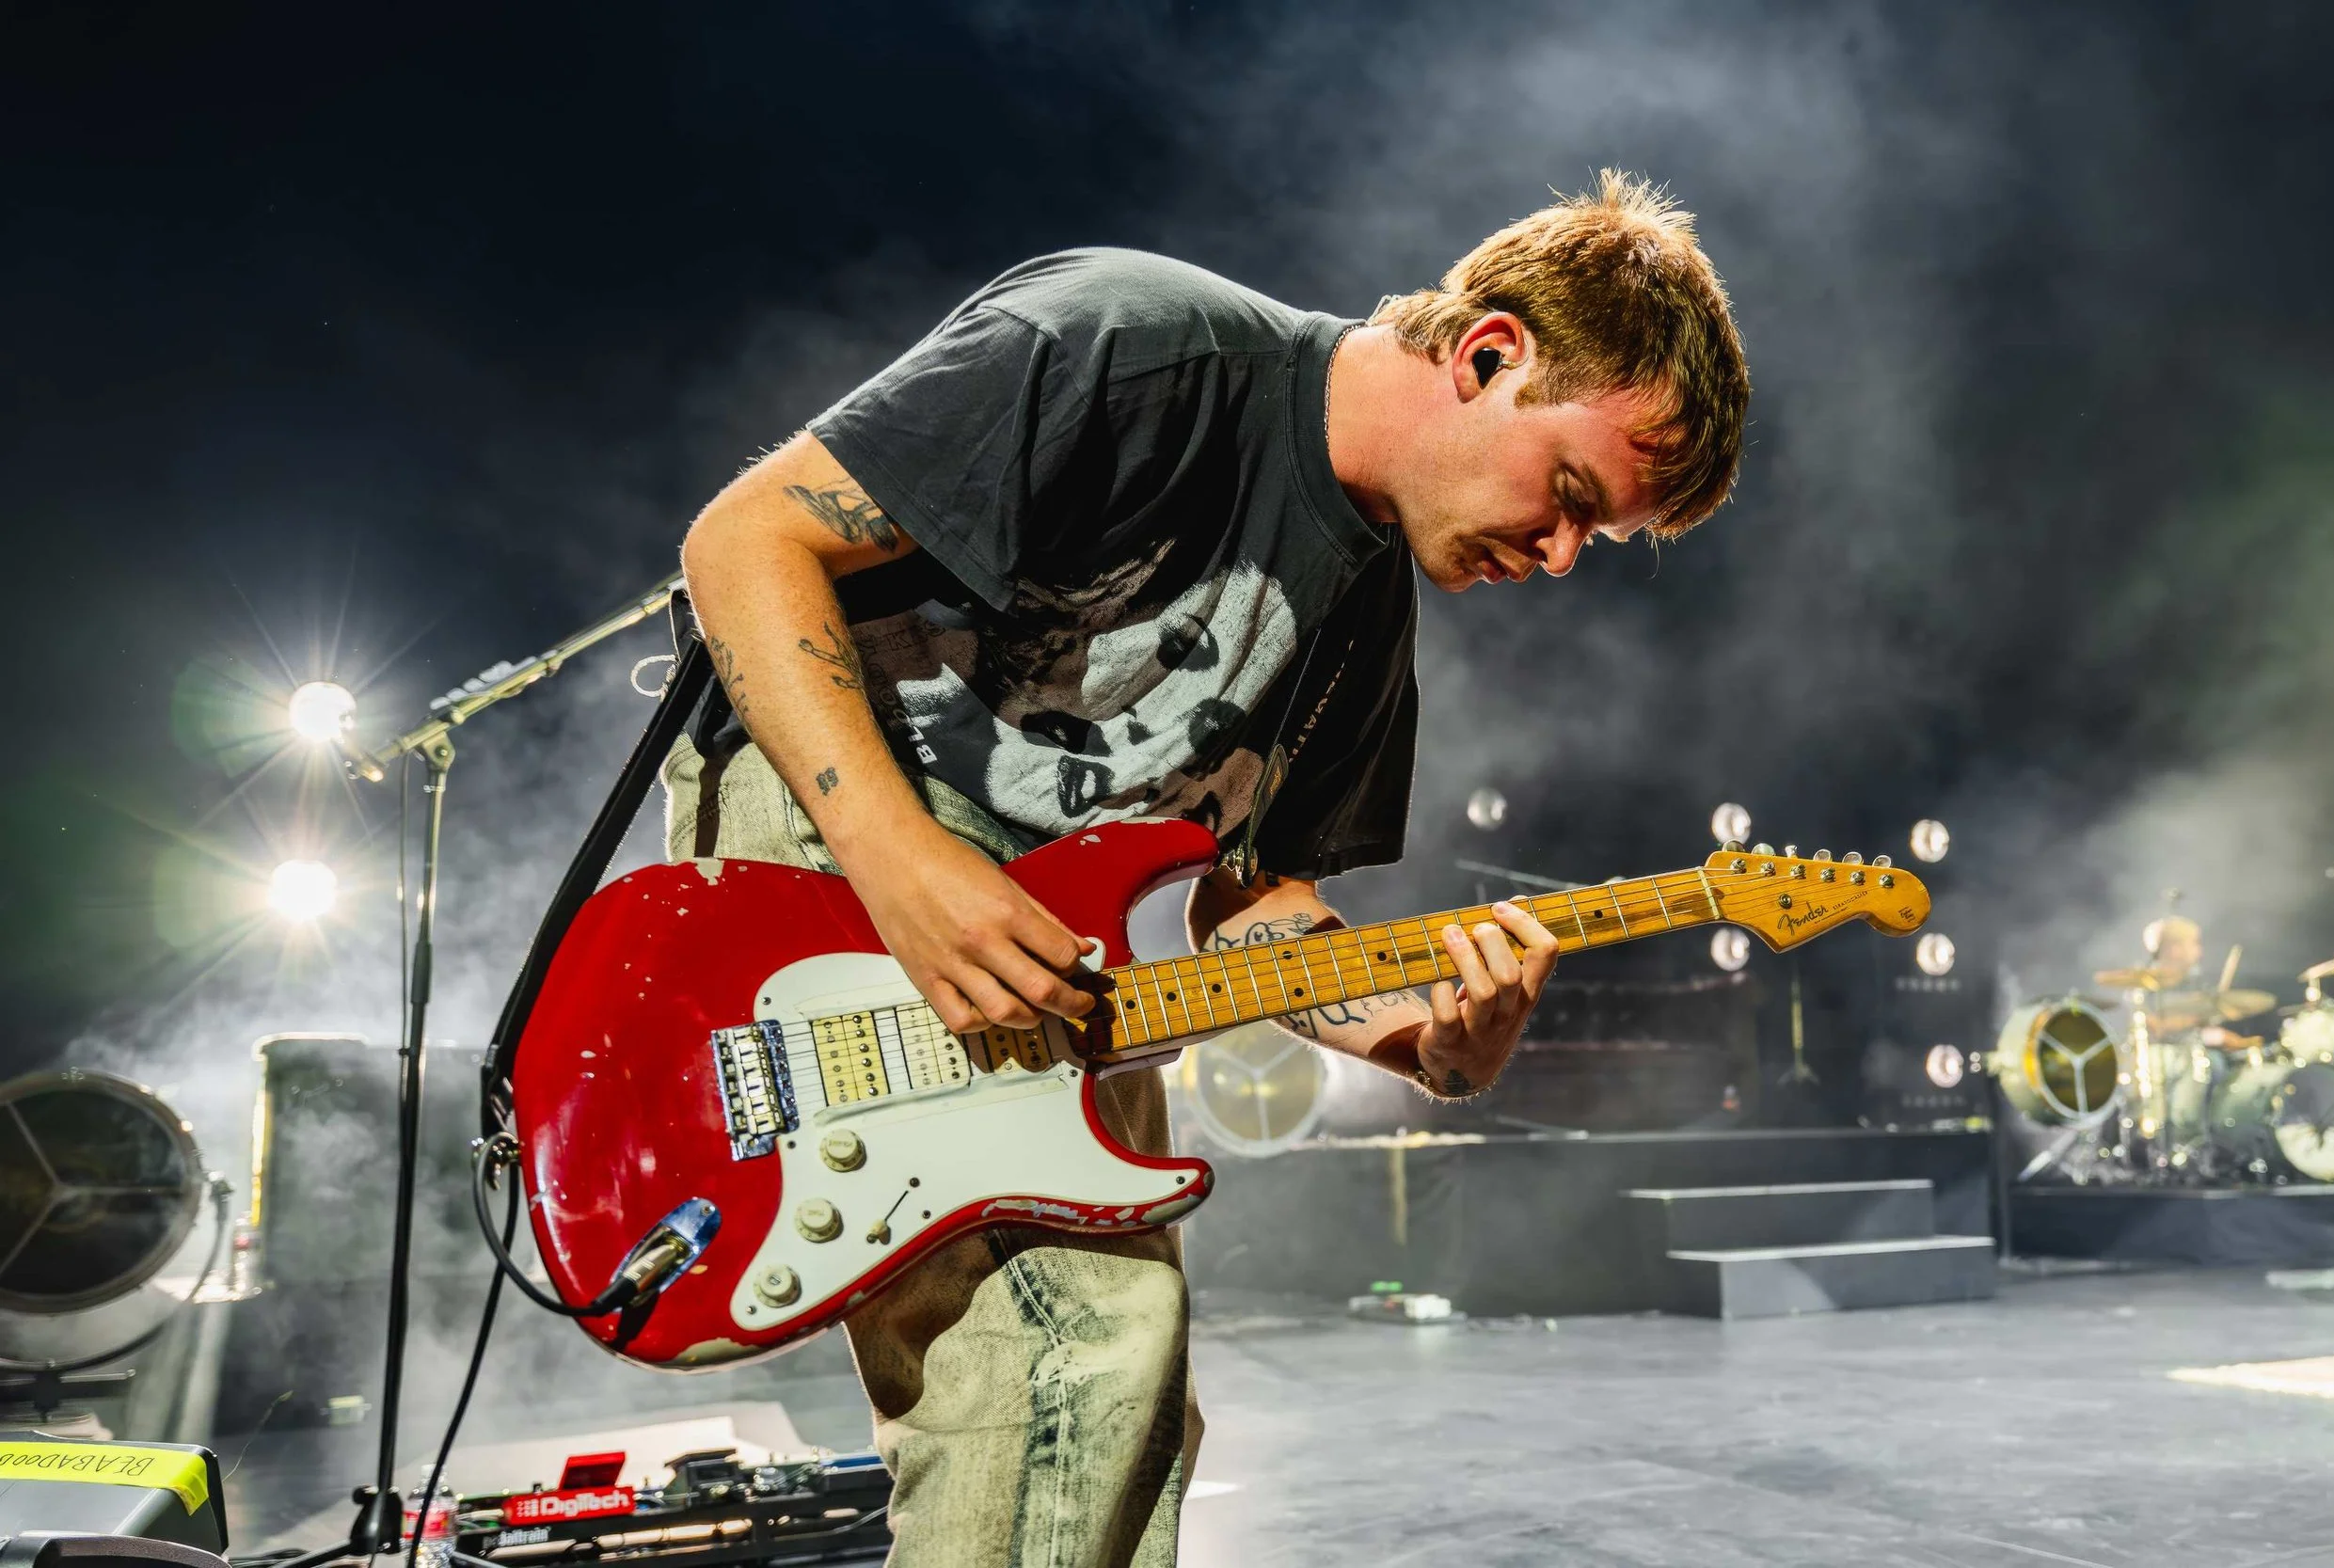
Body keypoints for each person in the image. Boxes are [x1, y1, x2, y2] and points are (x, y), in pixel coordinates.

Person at [671, 169, 1748, 1566]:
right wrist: (907, 865)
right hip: (839, 841)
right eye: (1571, 496)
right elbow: (747, 539)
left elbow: (1251, 906)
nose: (1557, 556)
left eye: (1595, 538)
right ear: (1491, 354)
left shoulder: (1367, 610)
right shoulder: (1136, 344)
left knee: (1125, 1414)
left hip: (1059, 947)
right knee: (1075, 1363)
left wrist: (1424, 1040)